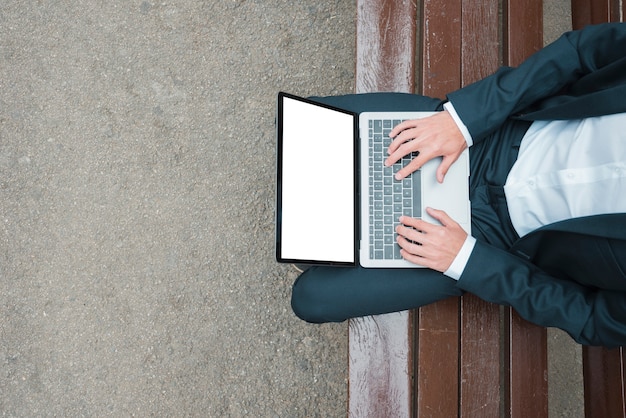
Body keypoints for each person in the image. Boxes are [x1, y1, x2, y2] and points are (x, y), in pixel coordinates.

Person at [290, 22, 626, 348]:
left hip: (492, 241)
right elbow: (580, 52)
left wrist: (469, 261)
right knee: (303, 134)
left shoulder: (478, 253)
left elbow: (594, 319)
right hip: (488, 139)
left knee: (312, 297)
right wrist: (463, 120)